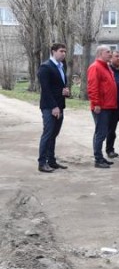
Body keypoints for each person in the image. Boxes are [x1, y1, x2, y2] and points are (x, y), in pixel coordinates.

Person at [37, 43, 71, 173]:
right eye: (61, 51)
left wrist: (66, 92)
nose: (64, 54)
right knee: (48, 133)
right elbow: (45, 90)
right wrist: (54, 106)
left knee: (54, 135)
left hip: (59, 106)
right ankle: (42, 163)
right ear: (53, 51)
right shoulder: (45, 67)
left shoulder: (62, 66)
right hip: (49, 107)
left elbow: (58, 86)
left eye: (65, 51)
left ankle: (51, 160)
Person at [87, 45, 117, 169]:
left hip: (108, 106)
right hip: (101, 106)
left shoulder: (107, 67)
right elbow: (93, 87)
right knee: (101, 133)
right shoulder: (95, 67)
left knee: (102, 132)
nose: (111, 54)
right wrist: (96, 103)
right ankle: (98, 159)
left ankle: (100, 157)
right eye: (108, 52)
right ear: (100, 54)